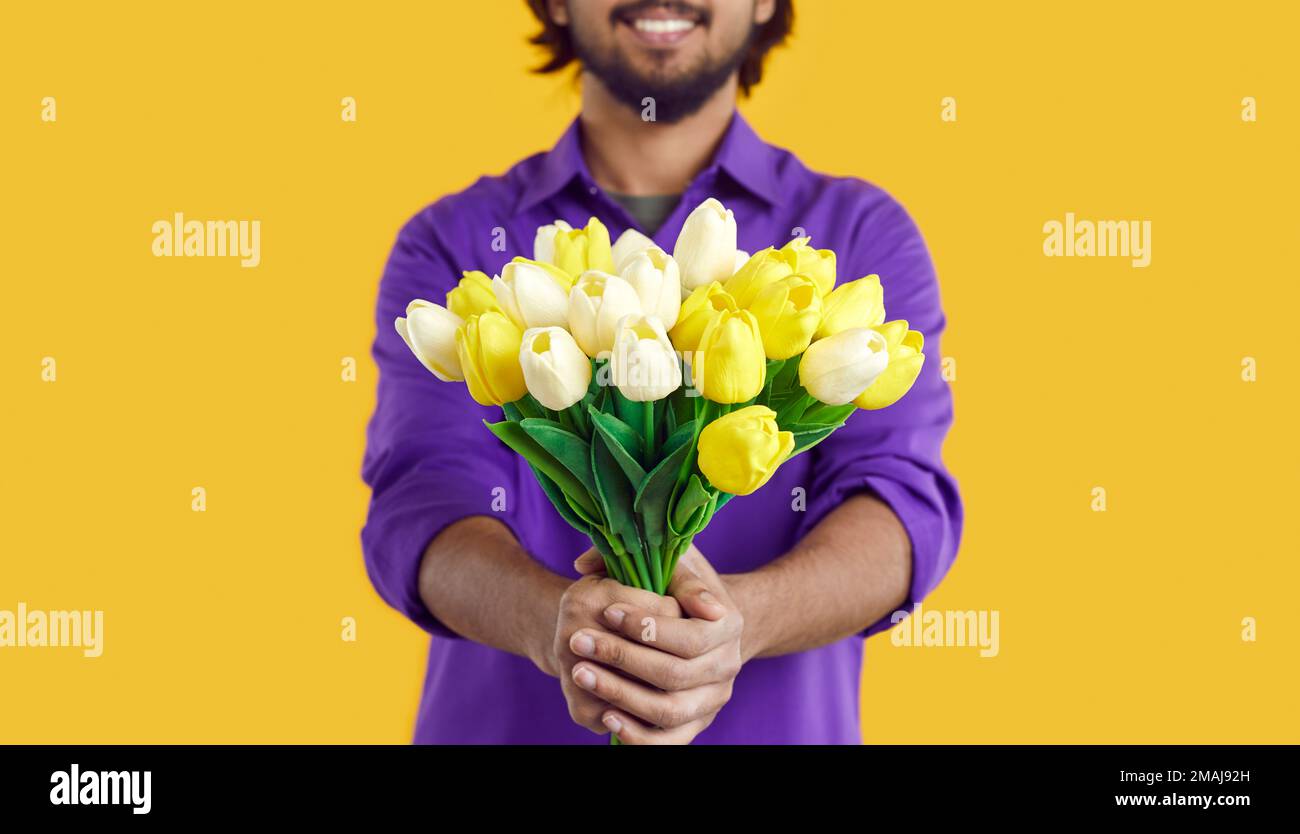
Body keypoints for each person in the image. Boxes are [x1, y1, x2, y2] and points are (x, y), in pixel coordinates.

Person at [362, 0, 962, 744]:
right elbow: (420, 505)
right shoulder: (453, 241)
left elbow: (900, 505)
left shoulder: (854, 234)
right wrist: (562, 627)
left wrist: (736, 625)